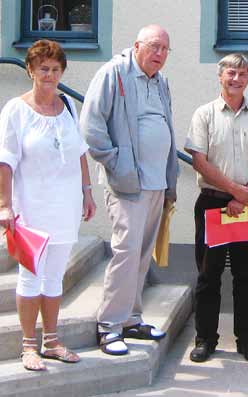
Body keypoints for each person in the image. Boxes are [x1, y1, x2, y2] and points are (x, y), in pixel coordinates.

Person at [80, 25, 178, 356]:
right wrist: (118, 163)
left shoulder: (160, 81)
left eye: (165, 49)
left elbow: (166, 129)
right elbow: (91, 126)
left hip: (156, 184)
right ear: (136, 46)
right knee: (125, 253)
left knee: (140, 254)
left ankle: (131, 319)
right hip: (127, 184)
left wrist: (170, 177)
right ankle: (108, 325)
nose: (160, 54)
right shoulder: (113, 73)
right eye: (154, 47)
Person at [0, 40, 96, 371]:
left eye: (56, 69)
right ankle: (29, 346)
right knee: (31, 276)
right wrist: (4, 206)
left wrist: (87, 191)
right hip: (30, 206)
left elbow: (79, 151)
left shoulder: (68, 104)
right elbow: (5, 161)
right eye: (44, 68)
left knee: (54, 276)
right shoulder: (16, 110)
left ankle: (51, 340)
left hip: (64, 204)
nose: (50, 75)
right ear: (30, 70)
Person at [184, 53, 248, 363]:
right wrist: (234, 190)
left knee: (246, 276)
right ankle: (205, 339)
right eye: (231, 74)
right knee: (209, 275)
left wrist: (247, 193)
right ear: (220, 77)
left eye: (242, 74)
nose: (236, 79)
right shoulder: (204, 114)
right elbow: (199, 159)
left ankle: (247, 341)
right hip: (213, 202)